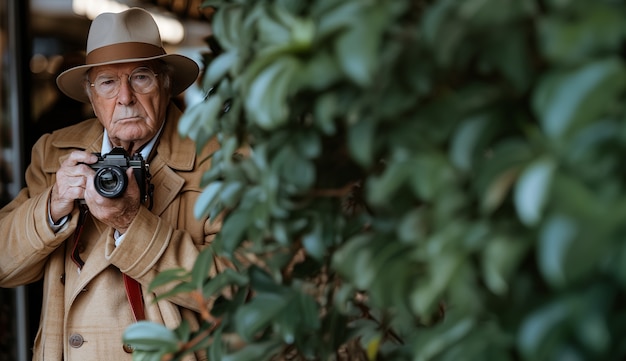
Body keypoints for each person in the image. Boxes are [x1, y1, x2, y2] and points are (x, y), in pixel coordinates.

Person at [0, 8, 221, 361]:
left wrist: (131, 224)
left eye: (141, 77)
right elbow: (4, 265)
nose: (125, 97)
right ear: (91, 95)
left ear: (165, 83)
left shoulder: (218, 161)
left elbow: (238, 291)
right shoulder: (54, 153)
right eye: (107, 82)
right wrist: (52, 206)